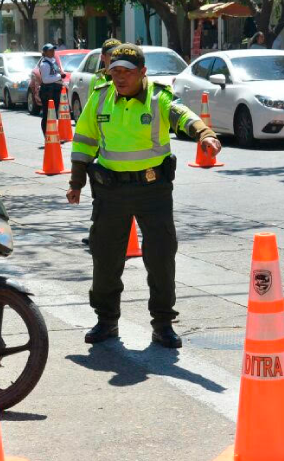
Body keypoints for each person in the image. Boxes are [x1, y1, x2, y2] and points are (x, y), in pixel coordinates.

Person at [66, 44, 222, 349]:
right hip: (110, 191)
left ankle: (163, 324)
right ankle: (106, 320)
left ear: (142, 73)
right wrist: (76, 181)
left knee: (161, 257)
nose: (120, 78)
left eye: (126, 72)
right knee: (105, 256)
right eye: (115, 71)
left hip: (153, 191)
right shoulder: (100, 97)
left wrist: (205, 134)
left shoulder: (157, 97)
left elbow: (183, 115)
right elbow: (84, 140)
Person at [38, 43, 65, 134]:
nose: (53, 51)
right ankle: (47, 135)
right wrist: (59, 76)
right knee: (47, 114)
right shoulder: (44, 64)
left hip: (55, 91)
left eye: (53, 50)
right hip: (48, 92)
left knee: (53, 114)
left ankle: (52, 133)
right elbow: (45, 80)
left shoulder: (53, 61)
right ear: (45, 52)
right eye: (50, 50)